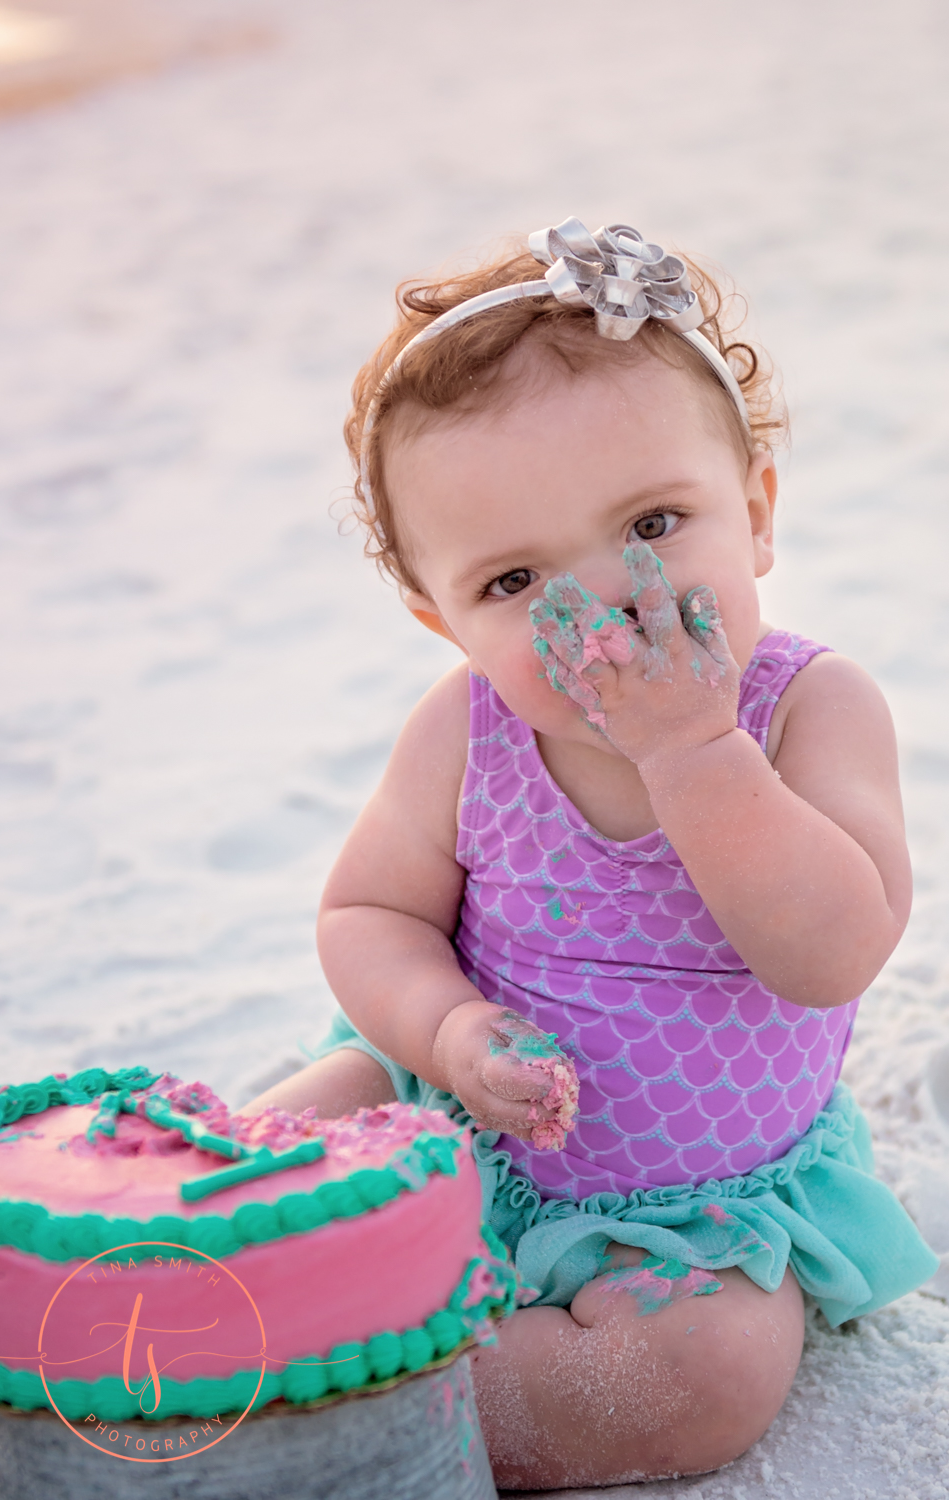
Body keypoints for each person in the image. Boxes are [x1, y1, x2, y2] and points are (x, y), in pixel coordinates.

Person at [245, 220, 938, 1490]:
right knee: (262, 1149)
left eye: (653, 524)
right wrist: (445, 1029)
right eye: (512, 581)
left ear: (757, 511)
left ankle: (360, 1417)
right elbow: (364, 915)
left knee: (702, 1380)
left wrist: (691, 753)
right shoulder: (465, 728)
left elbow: (830, 954)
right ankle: (164, 1302)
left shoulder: (809, 710)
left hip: (691, 1210)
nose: (599, 604)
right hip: (445, 1107)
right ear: (435, 614)